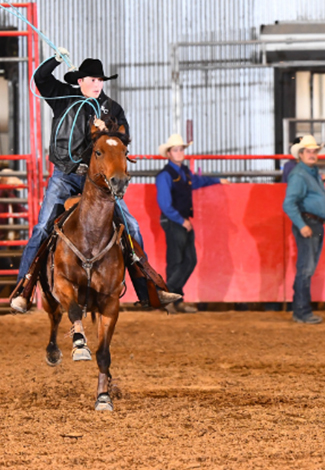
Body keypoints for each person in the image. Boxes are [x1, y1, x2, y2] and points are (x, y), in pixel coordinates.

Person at [10, 50, 180, 313]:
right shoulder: (63, 98)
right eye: (92, 79)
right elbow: (40, 78)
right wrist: (55, 59)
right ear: (80, 81)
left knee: (132, 227)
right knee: (43, 226)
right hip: (65, 175)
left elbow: (122, 142)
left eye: (100, 80)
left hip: (99, 183)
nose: (97, 84)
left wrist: (107, 129)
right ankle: (25, 288)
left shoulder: (113, 109)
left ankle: (147, 289)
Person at [156, 134, 229, 314]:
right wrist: (181, 220)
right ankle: (167, 296)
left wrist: (217, 180)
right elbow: (164, 204)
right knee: (178, 261)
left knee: (187, 260)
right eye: (176, 149)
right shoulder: (165, 175)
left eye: (181, 149)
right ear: (169, 153)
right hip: (175, 221)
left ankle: (172, 297)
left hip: (180, 221)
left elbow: (198, 181)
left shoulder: (183, 173)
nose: (180, 152)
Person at [282, 135, 325, 324]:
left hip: (314, 222)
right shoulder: (300, 174)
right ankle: (302, 311)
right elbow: (288, 204)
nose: (312, 154)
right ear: (300, 154)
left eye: (314, 151)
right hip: (308, 223)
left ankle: (301, 310)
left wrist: (324, 218)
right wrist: (302, 225)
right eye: (308, 151)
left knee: (306, 268)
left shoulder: (309, 172)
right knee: (306, 268)